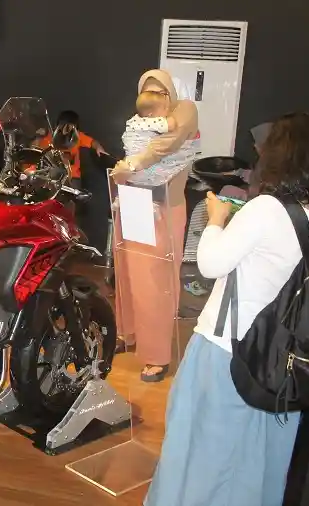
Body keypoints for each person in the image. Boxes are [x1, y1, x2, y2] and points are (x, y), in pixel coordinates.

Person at [145, 113, 309, 506]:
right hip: (289, 363)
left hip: (227, 350)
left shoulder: (267, 209)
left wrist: (216, 219)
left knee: (199, 456)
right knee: (261, 462)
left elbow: (210, 264)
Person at [112, 70, 199, 382]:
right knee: (127, 276)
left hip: (163, 209)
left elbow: (167, 145)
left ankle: (156, 355)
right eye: (146, 91)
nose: (153, 97)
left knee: (155, 283)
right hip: (132, 202)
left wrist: (133, 164)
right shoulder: (139, 121)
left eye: (159, 91)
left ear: (170, 92)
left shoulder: (184, 110)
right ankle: (128, 333)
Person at [55, 110, 108, 188]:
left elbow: (93, 142)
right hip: (55, 175)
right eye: (65, 125)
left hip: (73, 177)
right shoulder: (52, 136)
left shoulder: (78, 136)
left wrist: (98, 147)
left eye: (71, 126)